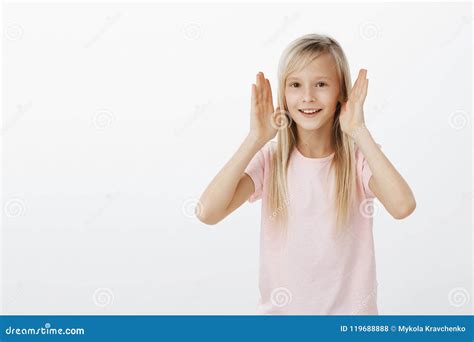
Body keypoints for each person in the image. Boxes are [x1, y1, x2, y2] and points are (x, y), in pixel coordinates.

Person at [196, 33, 416, 315]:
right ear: (283, 95)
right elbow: (207, 212)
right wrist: (255, 139)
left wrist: (359, 131)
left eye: (321, 84)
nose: (308, 96)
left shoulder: (358, 158)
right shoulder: (271, 159)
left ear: (341, 94)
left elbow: (403, 206)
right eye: (296, 85)